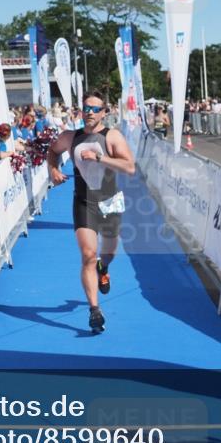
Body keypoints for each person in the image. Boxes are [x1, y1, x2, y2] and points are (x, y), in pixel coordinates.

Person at [46, 92, 136, 334]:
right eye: (86, 108)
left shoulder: (112, 136)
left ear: (104, 112)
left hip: (110, 202)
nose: (90, 112)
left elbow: (129, 167)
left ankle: (103, 268)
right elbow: (53, 151)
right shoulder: (70, 137)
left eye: (95, 109)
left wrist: (100, 157)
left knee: (108, 253)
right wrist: (53, 170)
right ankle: (94, 310)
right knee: (87, 255)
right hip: (83, 202)